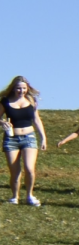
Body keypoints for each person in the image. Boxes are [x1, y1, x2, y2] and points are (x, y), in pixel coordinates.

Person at [1, 76, 47, 206]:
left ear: (27, 88)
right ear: (13, 88)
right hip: (11, 139)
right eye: (18, 88)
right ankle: (14, 197)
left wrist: (43, 137)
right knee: (15, 171)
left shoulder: (31, 101)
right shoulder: (5, 101)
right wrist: (2, 122)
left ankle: (29, 196)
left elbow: (37, 120)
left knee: (29, 168)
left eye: (24, 88)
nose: (21, 91)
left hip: (29, 138)